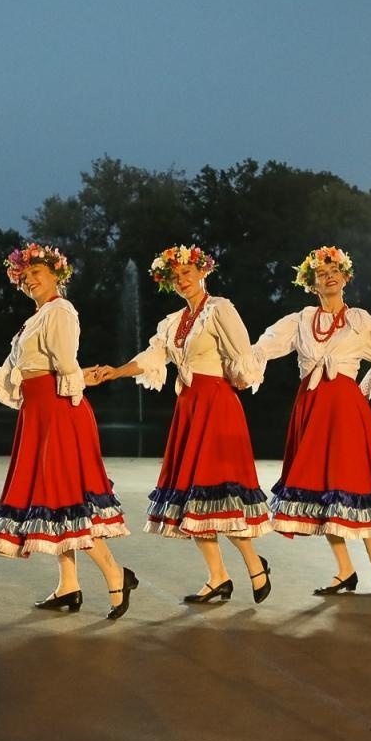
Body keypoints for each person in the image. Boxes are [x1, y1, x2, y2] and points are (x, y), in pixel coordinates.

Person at [0, 243, 138, 619]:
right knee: (52, 500)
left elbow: (65, 363)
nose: (30, 279)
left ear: (56, 276)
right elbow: (6, 373)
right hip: (38, 411)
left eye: (38, 273)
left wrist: (79, 384)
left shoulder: (61, 311)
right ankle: (68, 585)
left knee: (67, 497)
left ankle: (116, 573)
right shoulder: (33, 321)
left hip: (59, 409)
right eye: (25, 274)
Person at [86, 245, 272, 603]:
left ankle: (254, 563)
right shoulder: (173, 323)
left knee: (222, 492)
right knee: (193, 496)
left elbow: (242, 354)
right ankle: (218, 576)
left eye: (187, 273)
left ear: (202, 272)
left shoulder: (220, 308)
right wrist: (117, 372)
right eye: (176, 277)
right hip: (189, 408)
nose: (182, 280)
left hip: (216, 405)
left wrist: (242, 377)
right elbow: (154, 356)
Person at [251, 246, 371, 595]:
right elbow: (264, 346)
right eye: (320, 274)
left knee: (350, 483)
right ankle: (345, 569)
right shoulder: (300, 320)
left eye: (334, 271)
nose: (328, 277)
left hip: (345, 408)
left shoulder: (358, 320)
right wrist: (234, 362)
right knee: (322, 491)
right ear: (311, 284)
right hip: (311, 407)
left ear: (345, 277)